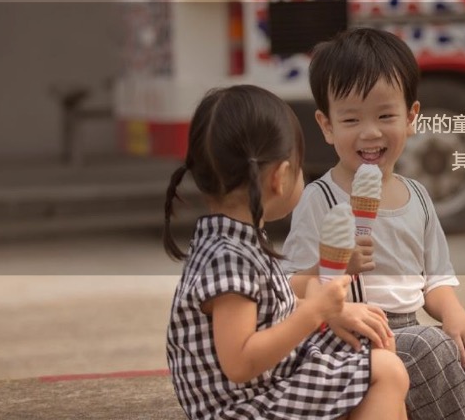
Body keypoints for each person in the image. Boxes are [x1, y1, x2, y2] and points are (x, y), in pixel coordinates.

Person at [282, 28, 465, 420]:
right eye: (351, 119)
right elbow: (291, 285)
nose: (370, 132)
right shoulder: (320, 200)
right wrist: (336, 267)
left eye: (385, 115)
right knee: (428, 344)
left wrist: (456, 316)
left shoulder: (419, 198)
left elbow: (435, 282)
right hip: (349, 339)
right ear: (327, 126)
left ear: (411, 118)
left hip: (411, 330)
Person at [163, 84, 409, 420]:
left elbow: (274, 297)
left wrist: (328, 282)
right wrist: (316, 312)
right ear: (280, 177)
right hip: (243, 406)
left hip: (262, 385)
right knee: (386, 370)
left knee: (374, 347)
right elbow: (239, 362)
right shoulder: (228, 258)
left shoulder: (234, 239)